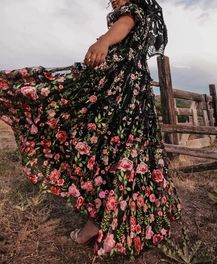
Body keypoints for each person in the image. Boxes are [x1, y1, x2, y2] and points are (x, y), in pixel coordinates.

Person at [0, 0, 183, 258]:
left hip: (119, 97)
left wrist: (104, 41)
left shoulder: (133, 13)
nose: (114, 0)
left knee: (104, 147)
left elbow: (124, 23)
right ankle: (103, 221)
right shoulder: (138, 19)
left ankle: (97, 223)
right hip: (130, 97)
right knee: (119, 154)